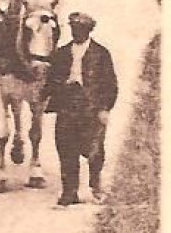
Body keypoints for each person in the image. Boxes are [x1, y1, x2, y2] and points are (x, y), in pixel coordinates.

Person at [42, 11, 118, 206]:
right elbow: (51, 80)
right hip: (67, 105)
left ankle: (95, 185)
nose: (77, 33)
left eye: (81, 29)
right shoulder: (62, 53)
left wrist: (105, 108)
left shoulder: (100, 54)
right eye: (74, 29)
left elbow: (110, 84)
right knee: (66, 148)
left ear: (88, 31)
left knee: (93, 150)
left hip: (91, 107)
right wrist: (47, 94)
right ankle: (69, 191)